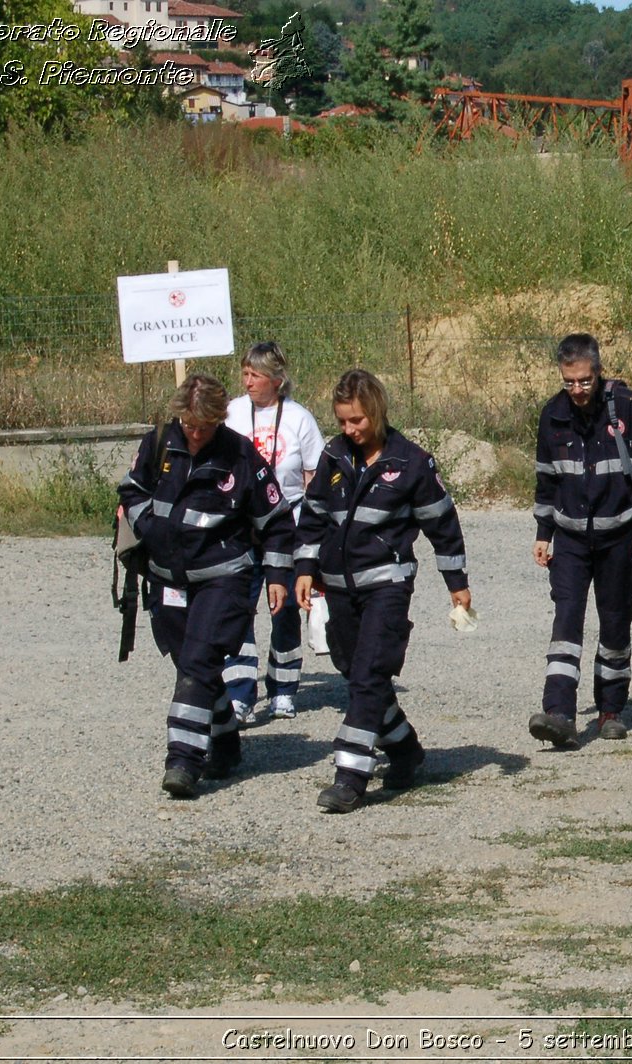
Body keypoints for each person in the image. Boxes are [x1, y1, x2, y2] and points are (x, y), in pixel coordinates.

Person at [294, 369, 472, 813]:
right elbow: (313, 517)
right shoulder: (334, 456)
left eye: (357, 421)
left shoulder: (411, 463)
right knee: (356, 674)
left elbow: (444, 528)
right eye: (342, 422)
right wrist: (303, 568)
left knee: (371, 674)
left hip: (387, 587)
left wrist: (458, 587)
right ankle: (406, 750)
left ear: (376, 412)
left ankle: (350, 776)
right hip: (338, 588)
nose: (350, 430)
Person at [118, 374, 295, 799]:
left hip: (223, 579)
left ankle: (183, 758)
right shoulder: (158, 442)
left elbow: (276, 521)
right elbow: (132, 491)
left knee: (199, 661)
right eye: (189, 425)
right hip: (168, 580)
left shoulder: (240, 454)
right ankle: (226, 740)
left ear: (219, 420)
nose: (195, 434)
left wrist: (276, 576)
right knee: (189, 664)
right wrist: (151, 529)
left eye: (204, 427)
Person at [528, 334, 632, 747]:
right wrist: (544, 534)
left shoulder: (628, 407)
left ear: (598, 371)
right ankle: (558, 712)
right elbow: (546, 481)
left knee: (614, 624)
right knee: (566, 622)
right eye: (569, 381)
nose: (577, 390)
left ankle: (610, 710)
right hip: (571, 540)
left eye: (584, 381)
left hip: (620, 537)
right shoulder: (552, 415)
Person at [222, 342, 326, 727]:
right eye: (245, 373)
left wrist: (316, 536)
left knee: (284, 611)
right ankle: (239, 694)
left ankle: (283, 690)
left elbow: (314, 478)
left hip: (288, 527)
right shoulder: (232, 413)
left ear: (277, 381)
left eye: (255, 375)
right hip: (242, 528)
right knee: (237, 608)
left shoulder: (300, 419)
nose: (247, 381)